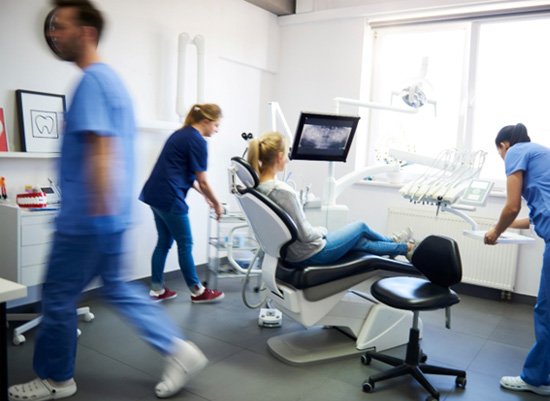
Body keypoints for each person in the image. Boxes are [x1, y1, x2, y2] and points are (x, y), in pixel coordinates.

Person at [8, 1, 207, 400]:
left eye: (60, 26)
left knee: (59, 296)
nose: (53, 34)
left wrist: (94, 213)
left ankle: (55, 379)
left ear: (86, 32)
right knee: (117, 288)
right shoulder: (110, 80)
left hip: (88, 218)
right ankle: (179, 349)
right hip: (110, 215)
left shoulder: (92, 82)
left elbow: (101, 149)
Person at [246, 131, 415, 267]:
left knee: (361, 243)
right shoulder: (282, 191)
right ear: (279, 156)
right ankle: (394, 242)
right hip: (311, 254)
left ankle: (401, 247)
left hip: (291, 253)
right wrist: (323, 231)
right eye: (287, 153)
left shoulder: (259, 188)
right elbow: (306, 235)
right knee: (360, 227)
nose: (288, 158)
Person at [484, 123, 550, 396]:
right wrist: (504, 226)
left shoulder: (515, 152)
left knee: (546, 311)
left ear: (503, 145)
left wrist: (495, 232)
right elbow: (534, 217)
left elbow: (511, 206)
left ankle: (535, 379)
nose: (503, 160)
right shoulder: (541, 153)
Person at [140, 104, 225, 303]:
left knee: (164, 242)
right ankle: (197, 291)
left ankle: (157, 289)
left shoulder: (181, 134)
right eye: (216, 125)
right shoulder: (197, 141)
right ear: (206, 121)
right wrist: (217, 203)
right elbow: (202, 179)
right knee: (185, 243)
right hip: (169, 196)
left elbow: (180, 170)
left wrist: (203, 194)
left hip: (154, 193)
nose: (217, 129)